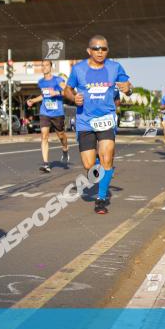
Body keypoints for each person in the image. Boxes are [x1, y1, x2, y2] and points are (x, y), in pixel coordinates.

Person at [63, 35, 131, 215]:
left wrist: (128, 89)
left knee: (107, 157)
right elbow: (67, 90)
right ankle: (102, 166)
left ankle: (101, 199)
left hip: (106, 119)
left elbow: (127, 84)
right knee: (89, 165)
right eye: (96, 48)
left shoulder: (115, 67)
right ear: (89, 50)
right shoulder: (78, 69)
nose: (100, 52)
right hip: (85, 121)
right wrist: (73, 97)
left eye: (104, 49)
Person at [26, 59, 69, 172]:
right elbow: (43, 96)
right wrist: (33, 100)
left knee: (61, 135)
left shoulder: (58, 80)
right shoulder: (41, 82)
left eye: (46, 65)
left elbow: (67, 91)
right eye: (42, 65)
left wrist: (57, 93)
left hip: (57, 113)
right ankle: (46, 164)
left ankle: (65, 149)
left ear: (51, 67)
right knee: (44, 136)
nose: (44, 67)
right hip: (45, 112)